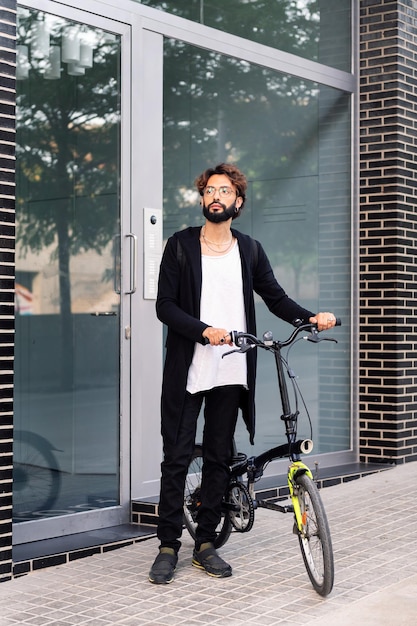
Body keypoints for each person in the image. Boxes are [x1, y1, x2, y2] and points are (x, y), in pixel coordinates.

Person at [149, 163, 337, 584]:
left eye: (224, 191)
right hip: (189, 368)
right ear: (202, 199)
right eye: (209, 190)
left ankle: (206, 544)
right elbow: (164, 305)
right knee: (176, 457)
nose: (216, 196)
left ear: (238, 202)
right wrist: (205, 331)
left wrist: (311, 318)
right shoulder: (180, 246)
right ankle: (166, 545)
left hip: (232, 368)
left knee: (219, 456)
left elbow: (275, 297)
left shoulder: (249, 250)